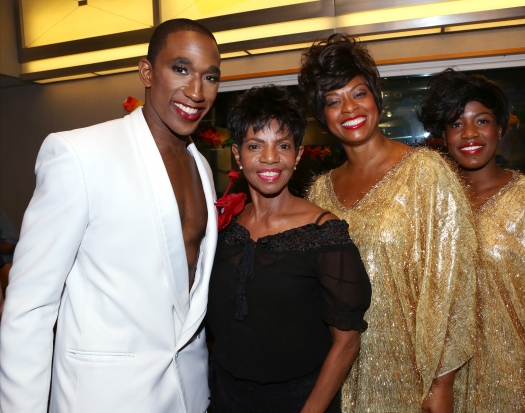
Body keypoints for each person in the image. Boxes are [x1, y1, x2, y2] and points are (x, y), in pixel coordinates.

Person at [0, 19, 221, 413]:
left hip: (186, 394)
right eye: (181, 69)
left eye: (210, 77)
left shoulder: (202, 168)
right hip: (104, 398)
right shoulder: (80, 154)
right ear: (147, 72)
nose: (196, 91)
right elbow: (30, 308)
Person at [299, 34, 478, 413]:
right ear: (321, 115)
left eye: (358, 93)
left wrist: (440, 383)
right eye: (333, 100)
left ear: (376, 97)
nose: (349, 108)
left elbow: (455, 284)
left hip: (414, 377)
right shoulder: (318, 192)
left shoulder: (427, 173)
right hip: (340, 375)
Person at [418, 68, 525, 412]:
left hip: (515, 383)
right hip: (441, 384)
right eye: (456, 124)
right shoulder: (432, 204)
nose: (469, 133)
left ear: (500, 127)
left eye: (481, 121)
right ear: (443, 136)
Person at [207, 85, 372, 413]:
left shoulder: (324, 234)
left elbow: (347, 342)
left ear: (297, 156)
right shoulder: (226, 227)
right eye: (255, 146)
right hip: (225, 396)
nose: (270, 158)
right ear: (238, 155)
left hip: (299, 400)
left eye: (282, 146)